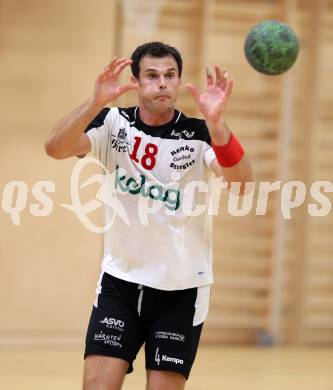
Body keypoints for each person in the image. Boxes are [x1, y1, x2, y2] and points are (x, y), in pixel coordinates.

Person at [45, 41, 253, 390]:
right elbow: (55, 147)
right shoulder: (112, 123)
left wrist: (218, 124)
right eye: (152, 75)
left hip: (180, 290)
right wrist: (95, 102)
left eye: (170, 76)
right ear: (136, 81)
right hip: (120, 283)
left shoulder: (200, 135)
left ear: (179, 81)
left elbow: (243, 185)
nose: (162, 83)